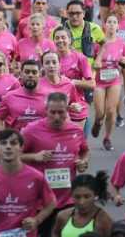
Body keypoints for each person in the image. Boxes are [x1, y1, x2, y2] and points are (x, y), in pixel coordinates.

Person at [20, 92, 91, 235]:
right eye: (53, 112)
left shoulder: (76, 130)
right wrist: (35, 156)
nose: (57, 117)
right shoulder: (31, 130)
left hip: (68, 200)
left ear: (67, 111)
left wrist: (83, 161)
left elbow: (85, 150)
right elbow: (14, 156)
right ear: (46, 111)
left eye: (61, 112)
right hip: (40, 201)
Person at [0, 129, 58, 237]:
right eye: (3, 143)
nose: (8, 147)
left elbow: (51, 203)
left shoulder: (36, 177)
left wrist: (37, 220)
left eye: (13, 143)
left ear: (21, 148)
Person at [92, 15, 125, 150]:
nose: (111, 24)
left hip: (114, 80)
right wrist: (98, 60)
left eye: (114, 22)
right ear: (104, 25)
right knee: (100, 113)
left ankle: (107, 138)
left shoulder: (122, 44)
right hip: (99, 81)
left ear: (117, 26)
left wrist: (123, 60)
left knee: (111, 110)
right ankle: (97, 122)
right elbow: (92, 63)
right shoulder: (98, 43)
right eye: (109, 22)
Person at [50, 172, 114, 237]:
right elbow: (55, 234)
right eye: (77, 197)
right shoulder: (62, 216)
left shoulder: (104, 221)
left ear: (95, 195)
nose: (81, 202)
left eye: (87, 197)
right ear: (72, 196)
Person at [0, 60, 48, 132]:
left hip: (40, 138)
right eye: (27, 72)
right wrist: (5, 135)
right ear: (21, 74)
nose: (30, 75)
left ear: (40, 74)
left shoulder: (48, 97)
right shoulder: (10, 96)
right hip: (18, 138)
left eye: (34, 72)